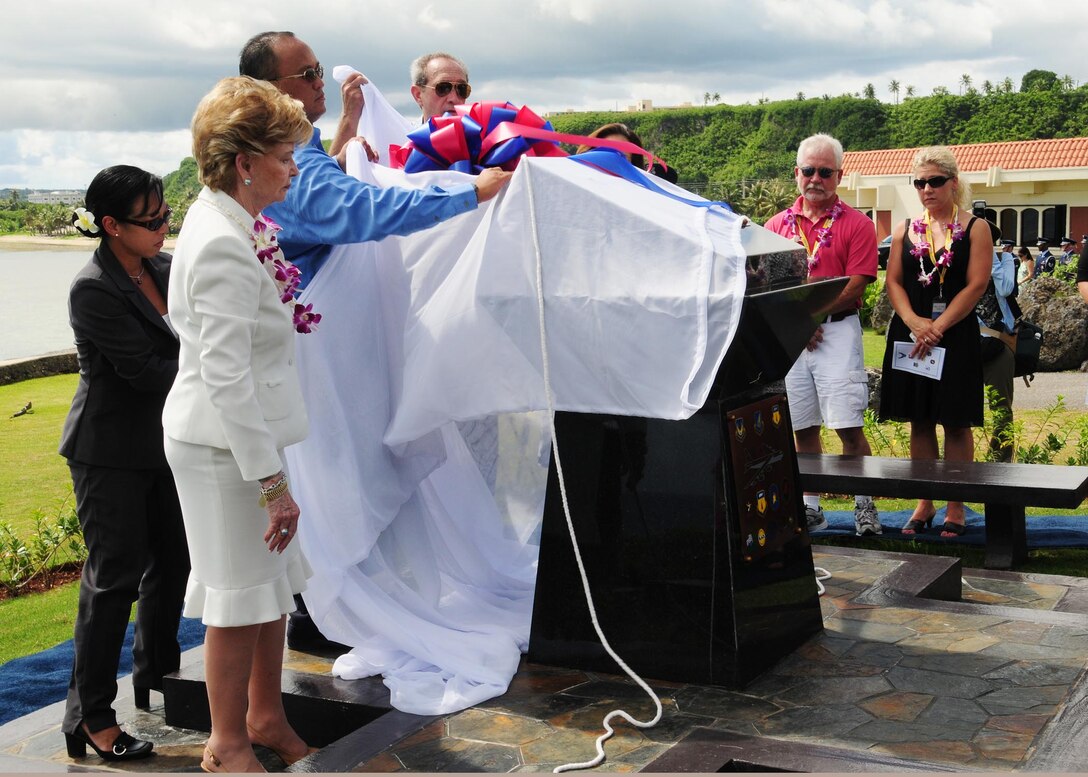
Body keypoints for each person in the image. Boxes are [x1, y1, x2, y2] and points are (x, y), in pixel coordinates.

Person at [162, 76, 316, 773]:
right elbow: (226, 378)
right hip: (222, 445)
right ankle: (226, 743)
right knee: (238, 591)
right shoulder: (222, 240)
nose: (293, 166)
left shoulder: (237, 220)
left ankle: (266, 715)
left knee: (271, 584)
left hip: (244, 436)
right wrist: (273, 484)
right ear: (245, 160)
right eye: (285, 153)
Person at [59, 166, 189, 764]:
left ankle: (161, 679)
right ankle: (91, 717)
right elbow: (144, 371)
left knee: (174, 563)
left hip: (165, 444)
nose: (165, 226)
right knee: (113, 580)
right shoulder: (93, 289)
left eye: (166, 214)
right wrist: (218, 376)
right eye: (152, 220)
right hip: (107, 452)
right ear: (111, 226)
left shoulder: (165, 268)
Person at [764, 133, 881, 537]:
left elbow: (859, 280)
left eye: (825, 172)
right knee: (802, 426)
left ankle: (864, 504)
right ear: (796, 173)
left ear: (839, 176)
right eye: (809, 170)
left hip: (835, 332)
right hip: (792, 337)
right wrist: (797, 320)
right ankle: (811, 507)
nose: (816, 179)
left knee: (847, 424)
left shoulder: (858, 224)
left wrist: (811, 316)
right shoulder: (776, 225)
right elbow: (769, 284)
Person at [879, 146, 993, 537]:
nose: (927, 189)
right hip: (912, 335)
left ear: (953, 183)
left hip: (954, 333)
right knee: (920, 419)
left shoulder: (976, 228)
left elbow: (976, 284)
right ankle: (925, 501)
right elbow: (893, 281)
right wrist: (914, 322)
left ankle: (956, 505)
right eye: (920, 182)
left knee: (957, 422)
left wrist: (938, 326)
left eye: (935, 181)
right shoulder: (905, 229)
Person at [979, 241, 1018, 461]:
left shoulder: (1003, 264)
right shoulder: (957, 263)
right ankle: (958, 466)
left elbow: (1005, 288)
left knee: (1002, 409)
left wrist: (996, 259)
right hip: (967, 344)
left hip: (998, 346)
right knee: (958, 412)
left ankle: (999, 461)